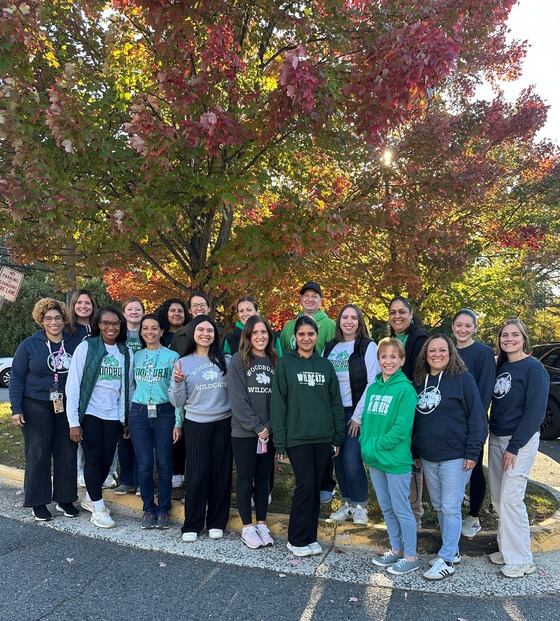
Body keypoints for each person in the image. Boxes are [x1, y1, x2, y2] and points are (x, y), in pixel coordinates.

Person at [413, 334, 487, 580]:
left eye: (442, 349)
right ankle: (451, 550)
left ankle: (446, 560)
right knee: (439, 506)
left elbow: (477, 417)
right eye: (431, 350)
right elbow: (415, 421)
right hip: (428, 456)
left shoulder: (463, 379)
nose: (436, 354)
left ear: (450, 352)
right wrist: (415, 451)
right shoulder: (419, 381)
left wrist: (472, 452)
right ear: (426, 354)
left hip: (456, 456)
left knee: (451, 507)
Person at [271, 316, 345, 557]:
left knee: (315, 487)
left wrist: (337, 436)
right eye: (301, 334)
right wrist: (279, 441)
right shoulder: (285, 363)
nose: (306, 338)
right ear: (295, 337)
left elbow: (335, 401)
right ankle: (296, 538)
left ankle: (310, 536)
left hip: (323, 436)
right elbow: (278, 403)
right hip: (298, 436)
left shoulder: (325, 365)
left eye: (310, 334)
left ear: (317, 336)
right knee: (304, 486)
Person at [351, 338, 419, 575]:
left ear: (401, 360)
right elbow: (367, 422)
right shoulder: (373, 388)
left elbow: (402, 428)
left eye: (393, 357)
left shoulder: (406, 390)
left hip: (395, 461)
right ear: (378, 360)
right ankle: (397, 550)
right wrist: (366, 444)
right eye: (384, 357)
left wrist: (378, 444)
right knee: (387, 509)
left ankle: (411, 555)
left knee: (402, 509)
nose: (388, 361)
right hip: (375, 459)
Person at [10, 299, 81, 521]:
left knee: (67, 451)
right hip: (35, 404)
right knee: (38, 453)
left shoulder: (74, 344)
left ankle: (65, 499)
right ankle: (38, 501)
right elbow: (17, 378)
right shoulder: (29, 345)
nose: (53, 322)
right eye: (48, 318)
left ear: (64, 319)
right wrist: (16, 408)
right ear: (41, 320)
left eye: (57, 318)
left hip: (65, 405)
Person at [488, 320, 549, 578]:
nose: (509, 339)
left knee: (512, 499)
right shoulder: (502, 366)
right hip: (497, 437)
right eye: (505, 335)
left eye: (515, 335)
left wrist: (514, 447)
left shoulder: (534, 369)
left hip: (519, 441)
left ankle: (522, 559)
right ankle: (507, 549)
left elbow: (535, 412)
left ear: (524, 339)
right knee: (499, 498)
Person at [66, 306, 134, 529]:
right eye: (106, 323)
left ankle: (90, 498)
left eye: (115, 323)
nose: (111, 327)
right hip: (91, 413)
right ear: (98, 325)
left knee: (106, 461)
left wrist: (127, 419)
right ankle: (98, 507)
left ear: (121, 326)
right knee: (93, 457)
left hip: (114, 415)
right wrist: (74, 421)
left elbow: (129, 388)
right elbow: (73, 385)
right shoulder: (87, 347)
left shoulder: (126, 352)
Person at [168, 314, 232, 542]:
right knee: (196, 475)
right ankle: (192, 524)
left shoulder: (226, 360)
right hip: (196, 424)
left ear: (215, 335)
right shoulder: (183, 362)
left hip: (224, 423)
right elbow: (177, 401)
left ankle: (216, 522)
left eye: (210, 330)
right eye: (201, 330)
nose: (206, 334)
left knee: (221, 474)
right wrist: (176, 382)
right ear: (193, 334)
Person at [279, 282, 337, 503]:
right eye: (306, 296)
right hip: (298, 389)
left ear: (321, 300)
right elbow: (286, 353)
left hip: (321, 384)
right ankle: (304, 483)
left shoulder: (330, 325)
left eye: (315, 296)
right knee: (303, 446)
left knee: (323, 439)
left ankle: (325, 484)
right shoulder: (289, 326)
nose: (310, 299)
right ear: (301, 299)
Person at [324, 304, 379, 526]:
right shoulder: (330, 347)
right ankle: (346, 503)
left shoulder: (367, 346)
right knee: (337, 458)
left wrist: (358, 415)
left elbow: (373, 381)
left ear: (360, 322)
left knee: (351, 459)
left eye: (353, 318)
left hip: (356, 410)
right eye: (344, 317)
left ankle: (360, 507)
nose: (348, 321)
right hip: (334, 412)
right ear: (338, 321)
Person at [128, 314, 183, 530]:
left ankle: (164, 509)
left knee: (163, 463)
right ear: (141, 332)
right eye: (145, 328)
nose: (149, 331)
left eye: (154, 328)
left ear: (161, 331)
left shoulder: (173, 356)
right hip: (139, 412)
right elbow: (130, 385)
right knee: (144, 464)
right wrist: (127, 416)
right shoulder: (136, 356)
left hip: (165, 413)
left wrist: (178, 421)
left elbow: (178, 390)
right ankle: (148, 509)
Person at [228, 315, 278, 548]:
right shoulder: (239, 360)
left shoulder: (275, 359)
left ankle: (261, 523)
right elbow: (237, 399)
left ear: (269, 335)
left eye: (264, 332)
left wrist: (268, 427)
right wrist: (257, 427)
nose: (260, 336)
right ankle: (247, 527)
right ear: (248, 336)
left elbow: (279, 398)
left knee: (263, 479)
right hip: (245, 432)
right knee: (246, 479)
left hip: (268, 432)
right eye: (255, 332)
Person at [451, 308, 496, 539]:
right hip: (450, 422)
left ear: (475, 328)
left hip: (473, 421)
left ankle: (474, 516)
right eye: (459, 325)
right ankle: (452, 513)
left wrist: (475, 423)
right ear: (453, 327)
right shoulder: (448, 351)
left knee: (474, 466)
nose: (463, 329)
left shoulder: (483, 352)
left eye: (468, 325)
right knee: (454, 467)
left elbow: (485, 392)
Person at [388, 295, 429, 528]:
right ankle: (401, 513)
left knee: (411, 457)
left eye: (402, 311)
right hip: (392, 407)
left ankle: (415, 514)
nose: (397, 316)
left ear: (411, 314)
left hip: (410, 406)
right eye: (393, 312)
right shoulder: (392, 340)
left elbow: (421, 376)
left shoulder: (420, 339)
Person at [68, 289, 109, 489]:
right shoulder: (68, 330)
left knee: (97, 437)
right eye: (79, 303)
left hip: (96, 389)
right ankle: (78, 472)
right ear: (73, 305)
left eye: (88, 303)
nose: (83, 306)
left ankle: (106, 473)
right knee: (78, 433)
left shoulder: (97, 328)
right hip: (73, 384)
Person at [112, 297, 145, 495]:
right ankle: (126, 479)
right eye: (129, 308)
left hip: (144, 392)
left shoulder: (148, 331)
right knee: (123, 438)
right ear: (123, 313)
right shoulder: (119, 335)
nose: (134, 312)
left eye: (138, 308)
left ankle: (142, 480)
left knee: (142, 440)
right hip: (121, 392)